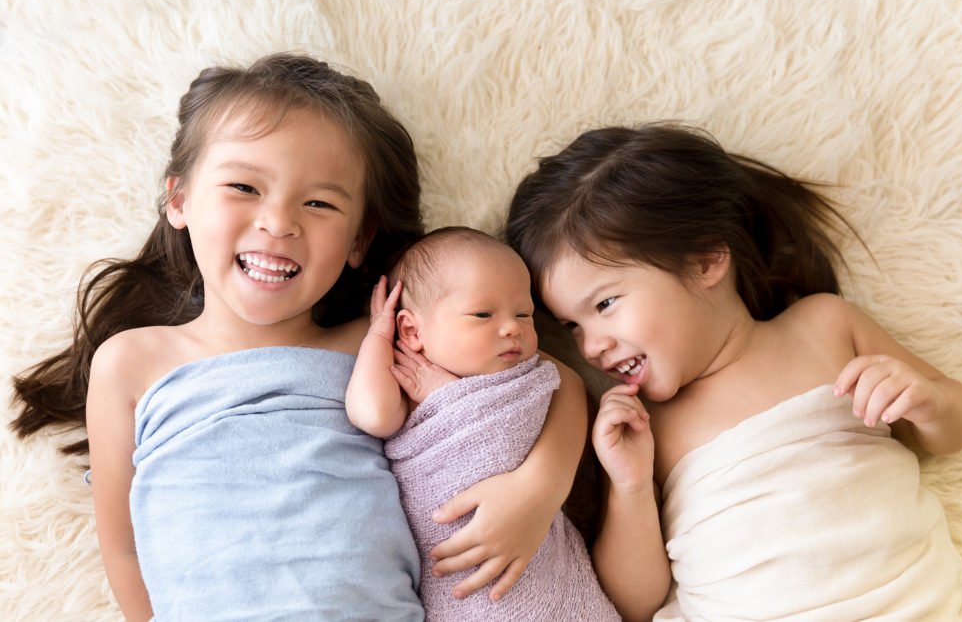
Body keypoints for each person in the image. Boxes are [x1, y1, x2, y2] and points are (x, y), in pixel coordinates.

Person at [9, 54, 585, 621]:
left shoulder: (377, 342)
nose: (279, 222)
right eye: (243, 186)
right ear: (179, 200)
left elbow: (553, 384)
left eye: (318, 203)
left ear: (360, 240)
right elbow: (126, 546)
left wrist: (540, 488)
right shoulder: (132, 362)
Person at [505, 123, 962, 622]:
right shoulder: (641, 428)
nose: (592, 346)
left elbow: (953, 433)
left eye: (605, 303)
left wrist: (927, 400)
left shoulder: (825, 327)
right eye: (571, 326)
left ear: (706, 259)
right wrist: (632, 488)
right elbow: (632, 601)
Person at [346, 226, 619, 621]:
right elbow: (372, 416)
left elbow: (522, 432)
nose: (512, 327)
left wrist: (451, 396)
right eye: (482, 314)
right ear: (411, 330)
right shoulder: (402, 381)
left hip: (541, 567)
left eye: (524, 314)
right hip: (460, 583)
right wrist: (377, 334)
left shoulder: (532, 379)